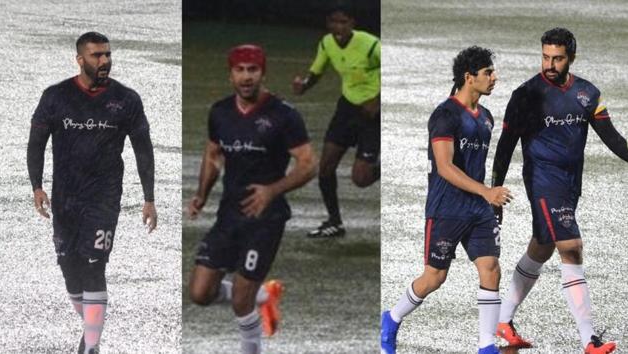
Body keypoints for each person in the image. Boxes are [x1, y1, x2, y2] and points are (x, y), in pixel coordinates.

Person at [492, 27, 626, 354]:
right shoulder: (525, 95)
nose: (550, 64)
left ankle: (503, 320)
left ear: (571, 57)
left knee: (542, 246)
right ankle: (588, 340)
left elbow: (612, 138)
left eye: (558, 58)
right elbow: (506, 145)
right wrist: (494, 189)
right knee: (571, 246)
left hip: (569, 184)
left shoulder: (587, 94)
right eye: (545, 57)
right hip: (541, 179)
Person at [26, 32, 157, 354]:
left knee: (94, 266)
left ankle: (91, 346)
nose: (105, 61)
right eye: (97, 55)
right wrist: (37, 186)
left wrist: (149, 198)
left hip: (104, 197)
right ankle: (92, 332)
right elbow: (36, 144)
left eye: (108, 55)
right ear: (80, 59)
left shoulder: (127, 100)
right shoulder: (55, 97)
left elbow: (143, 149)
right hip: (65, 198)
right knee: (70, 271)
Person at [187, 44, 317, 354]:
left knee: (240, 301)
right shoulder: (219, 112)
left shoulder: (283, 115)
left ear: (262, 72)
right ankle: (265, 296)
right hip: (228, 214)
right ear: (230, 74)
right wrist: (201, 195)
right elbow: (213, 154)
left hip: (266, 219)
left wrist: (271, 190)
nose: (246, 77)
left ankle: (253, 324)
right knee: (200, 293)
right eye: (240, 70)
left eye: (252, 70)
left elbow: (308, 163)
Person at [381, 46, 511, 354]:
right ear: (469, 78)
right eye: (488, 73)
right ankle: (391, 318)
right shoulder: (446, 115)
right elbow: (445, 167)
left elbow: (475, 164)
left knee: (491, 267)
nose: (494, 78)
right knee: (434, 277)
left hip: (478, 209)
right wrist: (486, 191)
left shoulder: (487, 118)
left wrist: (487, 199)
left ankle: (486, 346)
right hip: (446, 208)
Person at [293, 4, 380, 238]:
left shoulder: (371, 44)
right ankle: (334, 222)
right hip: (347, 110)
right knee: (326, 167)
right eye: (334, 21)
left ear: (352, 23)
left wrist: (379, 100)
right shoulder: (326, 43)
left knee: (361, 179)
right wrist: (304, 85)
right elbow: (317, 71)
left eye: (344, 22)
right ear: (328, 23)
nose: (338, 27)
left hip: (373, 115)